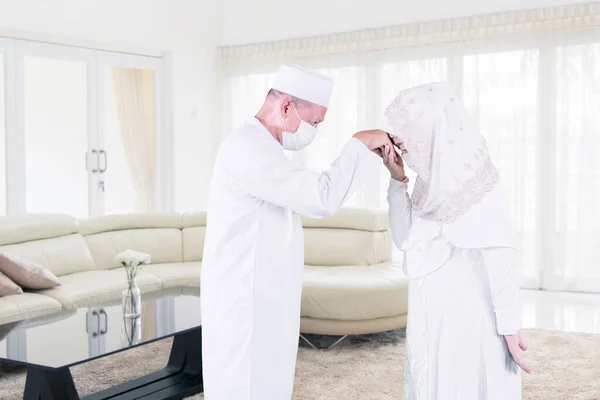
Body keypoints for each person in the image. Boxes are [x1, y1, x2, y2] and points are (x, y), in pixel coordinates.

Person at [201, 63, 396, 399]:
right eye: (315, 122)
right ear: (287, 107)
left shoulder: (264, 148)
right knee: (245, 381)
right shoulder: (248, 147)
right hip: (244, 297)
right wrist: (359, 144)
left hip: (264, 291)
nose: (315, 130)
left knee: (268, 377)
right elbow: (320, 197)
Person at [380, 82, 531, 399]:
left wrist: (508, 325)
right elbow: (405, 238)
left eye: (407, 143)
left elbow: (502, 255)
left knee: (463, 381)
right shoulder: (425, 185)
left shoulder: (479, 180)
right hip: (427, 308)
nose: (404, 151)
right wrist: (398, 180)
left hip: (466, 313)